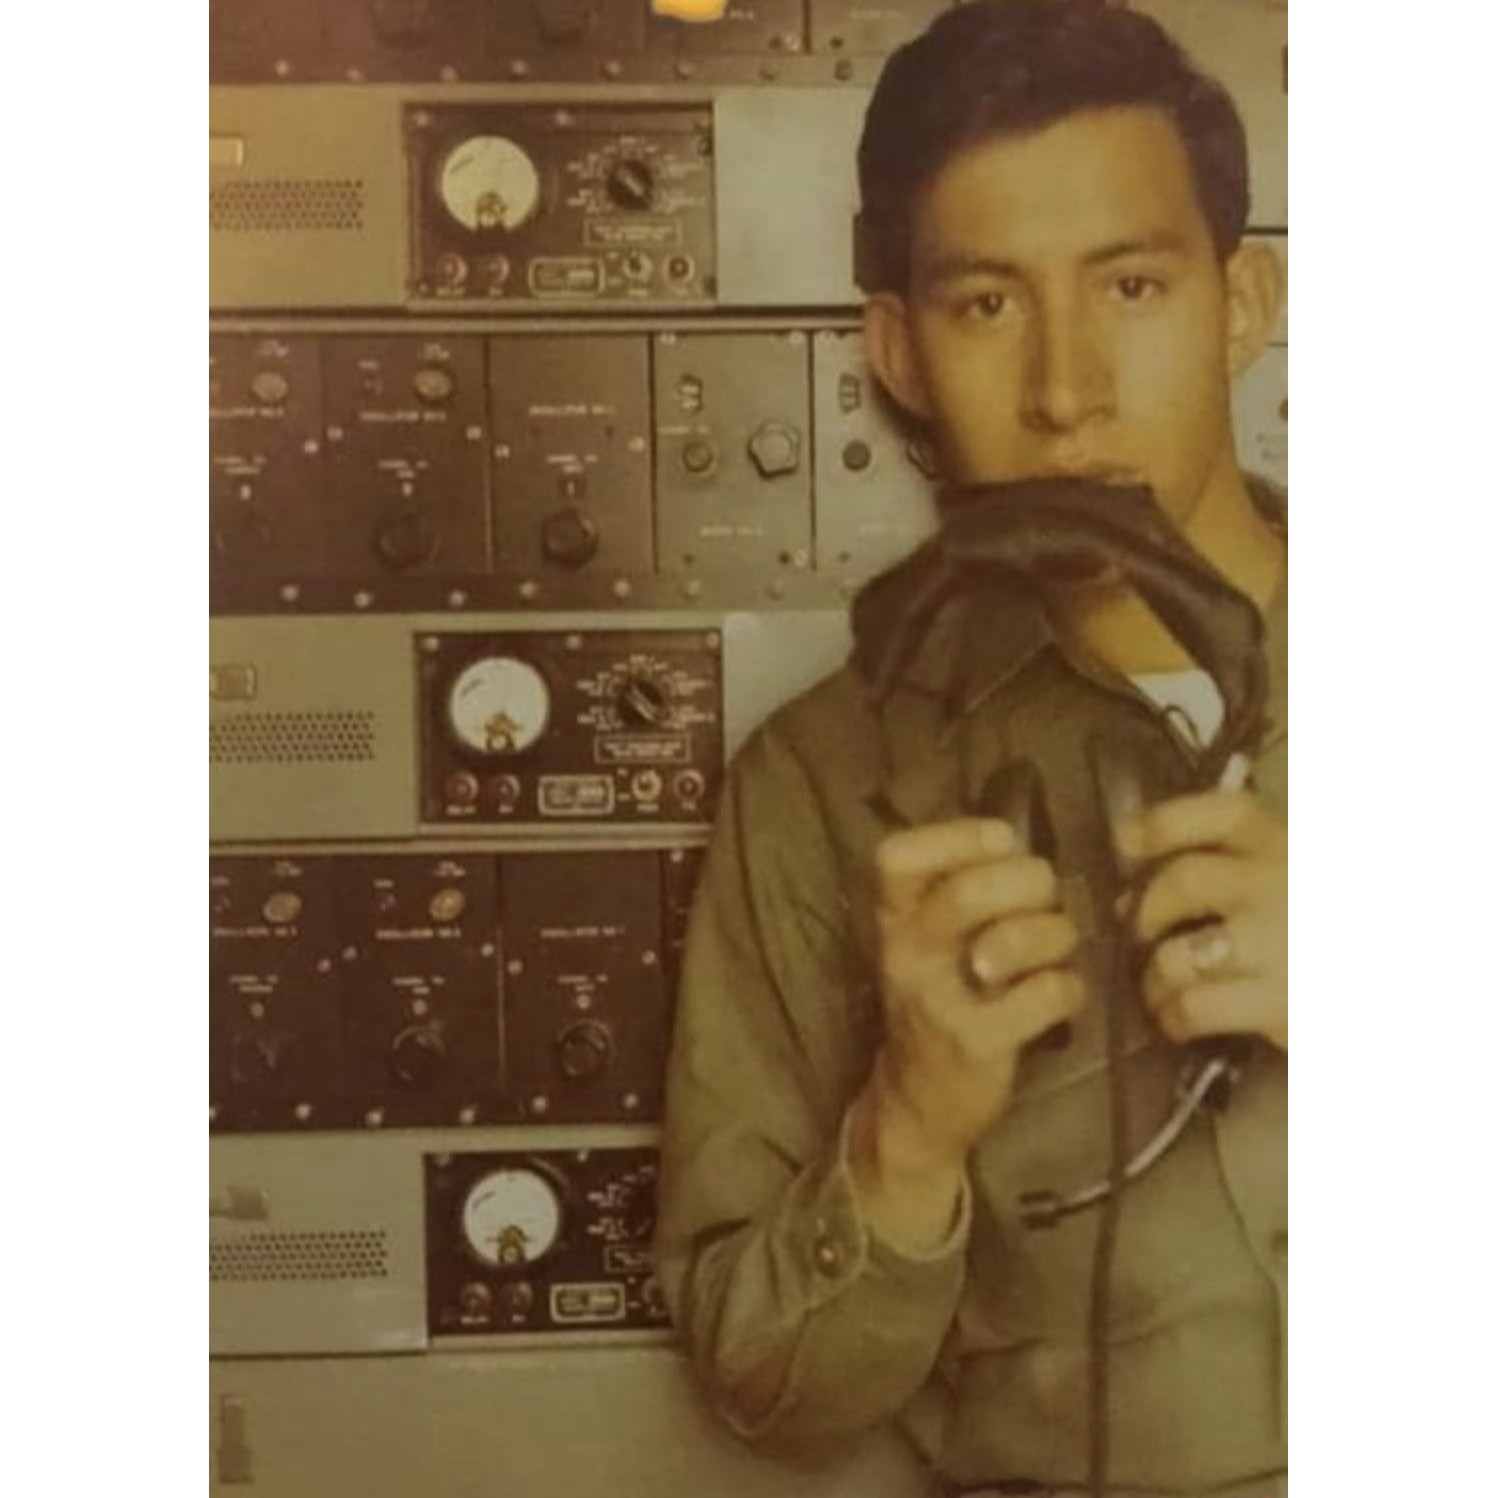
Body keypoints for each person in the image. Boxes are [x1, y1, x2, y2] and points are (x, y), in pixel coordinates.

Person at [654, 3, 1288, 1495]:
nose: (1066, 392)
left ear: (1243, 302)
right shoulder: (818, 787)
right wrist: (907, 1126)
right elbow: (762, 1385)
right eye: (988, 305)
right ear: (899, 350)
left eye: (1130, 285)